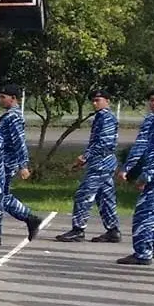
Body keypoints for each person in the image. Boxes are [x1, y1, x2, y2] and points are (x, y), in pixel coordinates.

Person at [56, 92, 123, 243]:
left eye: (98, 100)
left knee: (83, 194)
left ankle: (78, 230)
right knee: (105, 197)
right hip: (100, 163)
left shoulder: (106, 117)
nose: (94, 103)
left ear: (107, 101)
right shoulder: (101, 117)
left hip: (102, 163)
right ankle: (113, 230)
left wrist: (85, 156)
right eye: (93, 101)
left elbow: (103, 143)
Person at [117, 88, 154, 264]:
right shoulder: (153, 121)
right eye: (151, 100)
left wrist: (146, 176)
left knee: (145, 215)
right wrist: (127, 167)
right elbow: (141, 145)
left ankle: (143, 253)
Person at [0, 86, 43, 243]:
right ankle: (27, 218)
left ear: (13, 98)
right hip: (1, 161)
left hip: (6, 162)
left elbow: (19, 141)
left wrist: (23, 165)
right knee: (0, 196)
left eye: (3, 97)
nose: (0, 100)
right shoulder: (9, 116)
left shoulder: (13, 117)